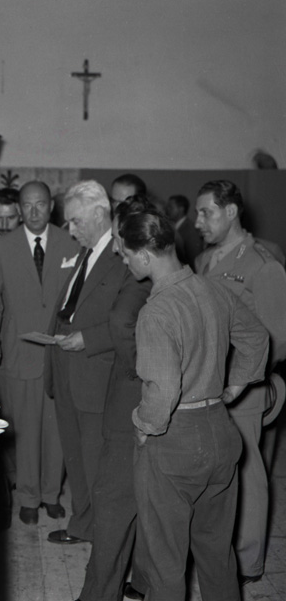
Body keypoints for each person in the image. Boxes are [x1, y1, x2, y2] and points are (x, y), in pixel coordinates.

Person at [118, 208, 269, 601]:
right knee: (217, 555)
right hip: (220, 429)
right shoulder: (213, 289)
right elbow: (256, 338)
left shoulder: (156, 311)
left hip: (174, 442)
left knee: (165, 565)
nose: (125, 261)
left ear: (145, 255)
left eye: (126, 254)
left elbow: (163, 388)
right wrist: (234, 387)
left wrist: (144, 426)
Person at [195, 179, 286, 584]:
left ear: (230, 212)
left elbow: (278, 339)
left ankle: (248, 563)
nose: (198, 222)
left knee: (247, 474)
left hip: (242, 388)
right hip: (207, 384)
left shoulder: (263, 265)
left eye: (206, 212)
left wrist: (240, 379)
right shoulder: (204, 261)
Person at [44, 180, 141, 545]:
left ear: (101, 213)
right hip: (68, 369)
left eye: (76, 221)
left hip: (96, 373)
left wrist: (88, 338)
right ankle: (82, 525)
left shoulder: (124, 257)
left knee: (96, 462)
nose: (71, 230)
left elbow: (133, 318)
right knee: (77, 460)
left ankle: (105, 538)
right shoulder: (86, 254)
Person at [0, 181, 78, 524]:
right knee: (24, 429)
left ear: (52, 206)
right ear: (19, 209)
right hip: (18, 351)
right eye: (27, 205)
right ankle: (28, 496)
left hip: (59, 352)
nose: (34, 211)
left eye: (41, 204)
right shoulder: (1, 248)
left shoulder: (72, 244)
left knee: (56, 430)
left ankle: (51, 494)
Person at [78, 196, 151, 601]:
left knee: (111, 506)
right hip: (146, 406)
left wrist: (140, 371)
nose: (115, 247)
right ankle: (135, 585)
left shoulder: (137, 277)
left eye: (119, 238)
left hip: (129, 405)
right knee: (136, 508)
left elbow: (122, 321)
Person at [165, 194, 204, 268]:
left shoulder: (190, 230)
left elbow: (194, 259)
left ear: (181, 209)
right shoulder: (175, 226)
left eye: (170, 207)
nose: (167, 210)